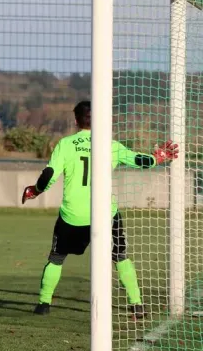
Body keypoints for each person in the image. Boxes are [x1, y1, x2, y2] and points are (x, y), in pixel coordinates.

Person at [22, 101, 178, 318]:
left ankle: (43, 304)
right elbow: (139, 160)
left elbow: (48, 176)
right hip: (106, 215)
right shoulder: (109, 145)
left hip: (73, 216)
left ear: (75, 121)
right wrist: (158, 158)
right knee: (120, 256)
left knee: (57, 258)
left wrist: (35, 191)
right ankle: (137, 306)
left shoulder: (65, 144)